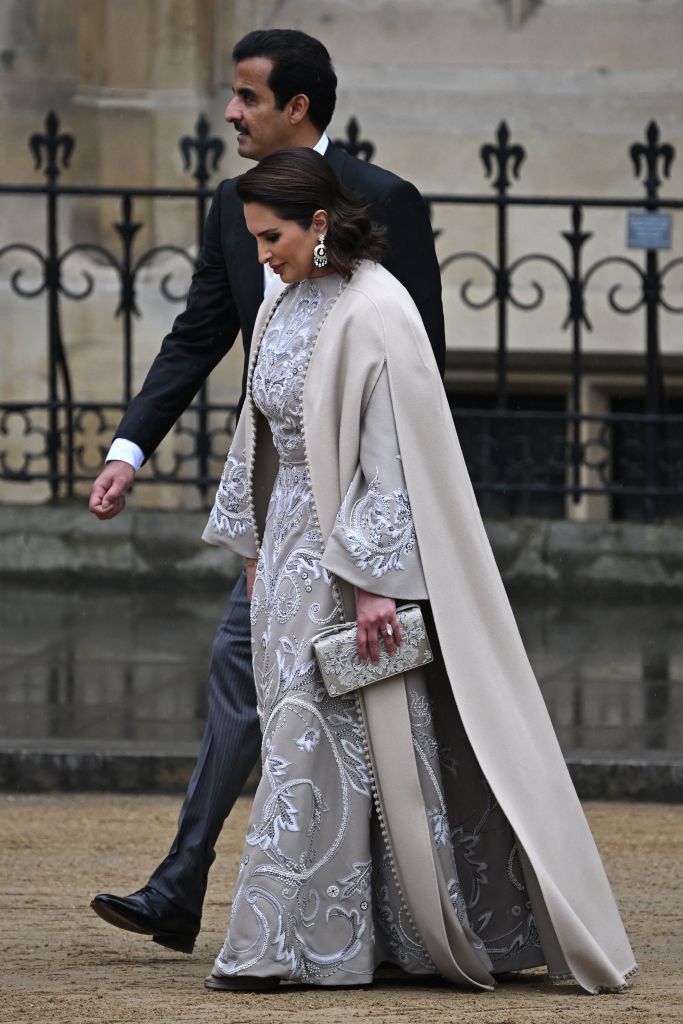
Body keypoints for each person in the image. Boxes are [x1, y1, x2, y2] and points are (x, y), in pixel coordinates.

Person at [200, 146, 636, 994]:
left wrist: (372, 583)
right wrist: (252, 543)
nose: (261, 253)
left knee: (322, 737)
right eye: (253, 238)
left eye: (272, 236)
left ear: (319, 224)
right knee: (328, 741)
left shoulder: (378, 309)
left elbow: (387, 457)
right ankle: (355, 937)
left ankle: (273, 945)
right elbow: (261, 430)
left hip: (345, 560)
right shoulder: (287, 297)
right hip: (288, 553)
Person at [88, 29, 445, 955]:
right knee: (242, 678)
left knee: (373, 710)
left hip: (368, 515)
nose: (231, 113)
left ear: (299, 108)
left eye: (247, 97)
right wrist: (131, 445)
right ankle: (183, 881)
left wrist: (388, 547)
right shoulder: (230, 207)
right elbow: (200, 333)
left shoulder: (387, 200)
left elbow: (417, 380)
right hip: (278, 515)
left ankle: (398, 918)